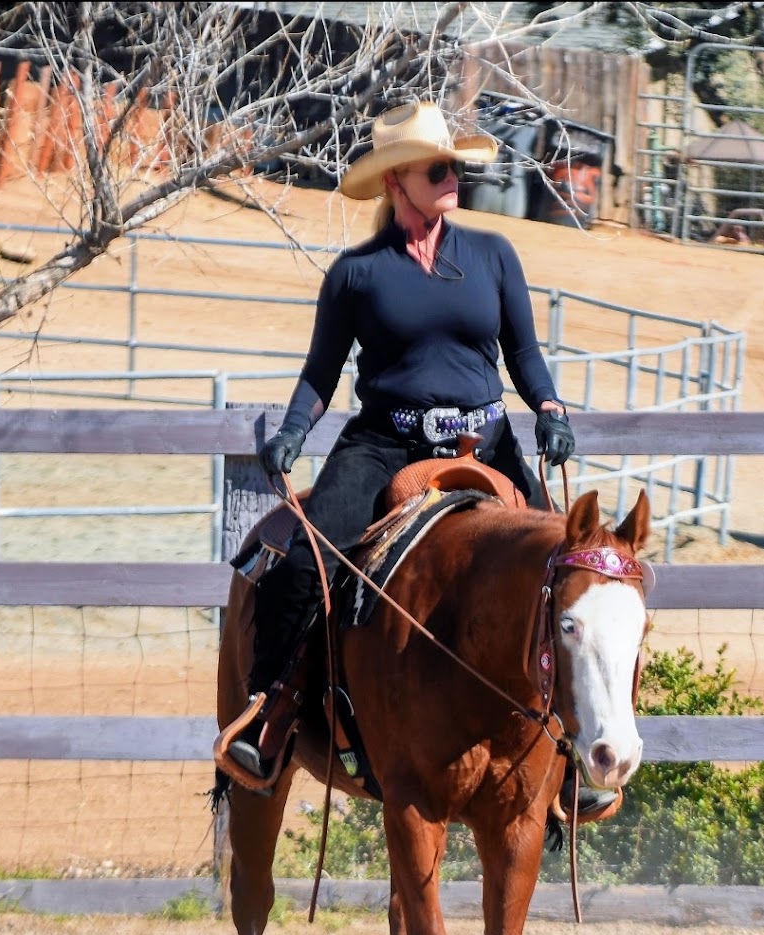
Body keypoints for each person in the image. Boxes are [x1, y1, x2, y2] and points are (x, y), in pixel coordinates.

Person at [225, 102, 613, 817]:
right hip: (384, 441)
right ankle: (272, 712)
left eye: (456, 165)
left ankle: (568, 754)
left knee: (564, 573)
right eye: (438, 167)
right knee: (306, 564)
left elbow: (523, 353)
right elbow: (321, 371)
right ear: (397, 181)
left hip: (486, 436)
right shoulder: (357, 273)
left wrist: (551, 409)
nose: (453, 176)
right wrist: (291, 432)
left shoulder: (494, 255)